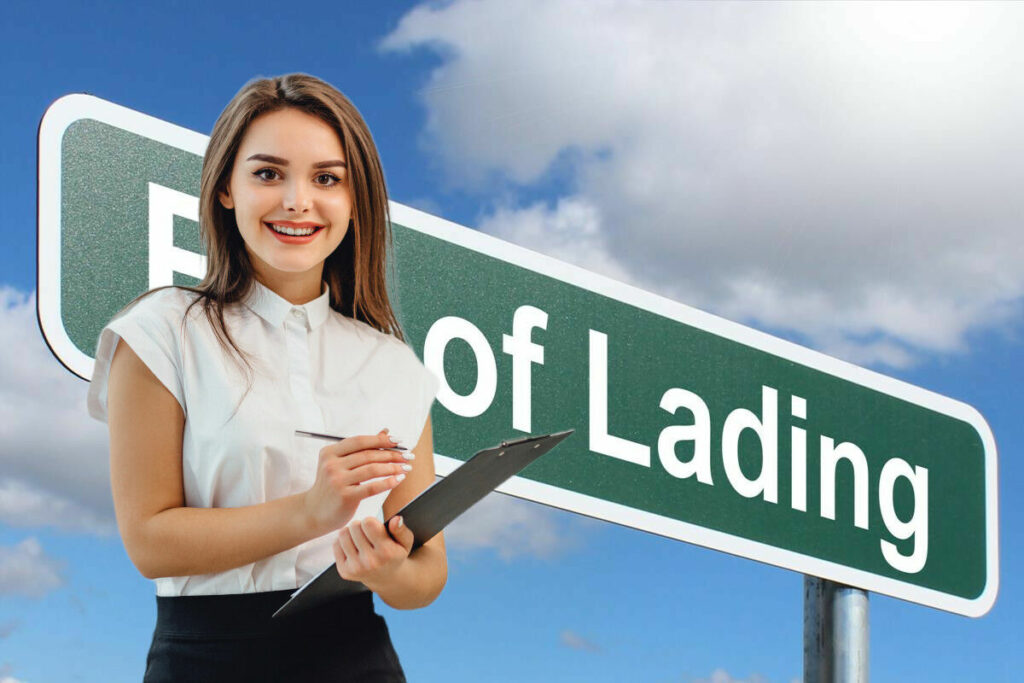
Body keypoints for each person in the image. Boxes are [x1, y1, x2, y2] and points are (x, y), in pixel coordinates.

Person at [86, 73, 446, 682]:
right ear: (226, 188)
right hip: (205, 660)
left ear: (356, 201)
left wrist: (386, 569)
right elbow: (148, 541)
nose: (298, 201)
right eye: (268, 173)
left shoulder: (396, 368)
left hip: (359, 659)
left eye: (327, 179)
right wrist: (312, 511)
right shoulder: (161, 331)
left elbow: (426, 574)